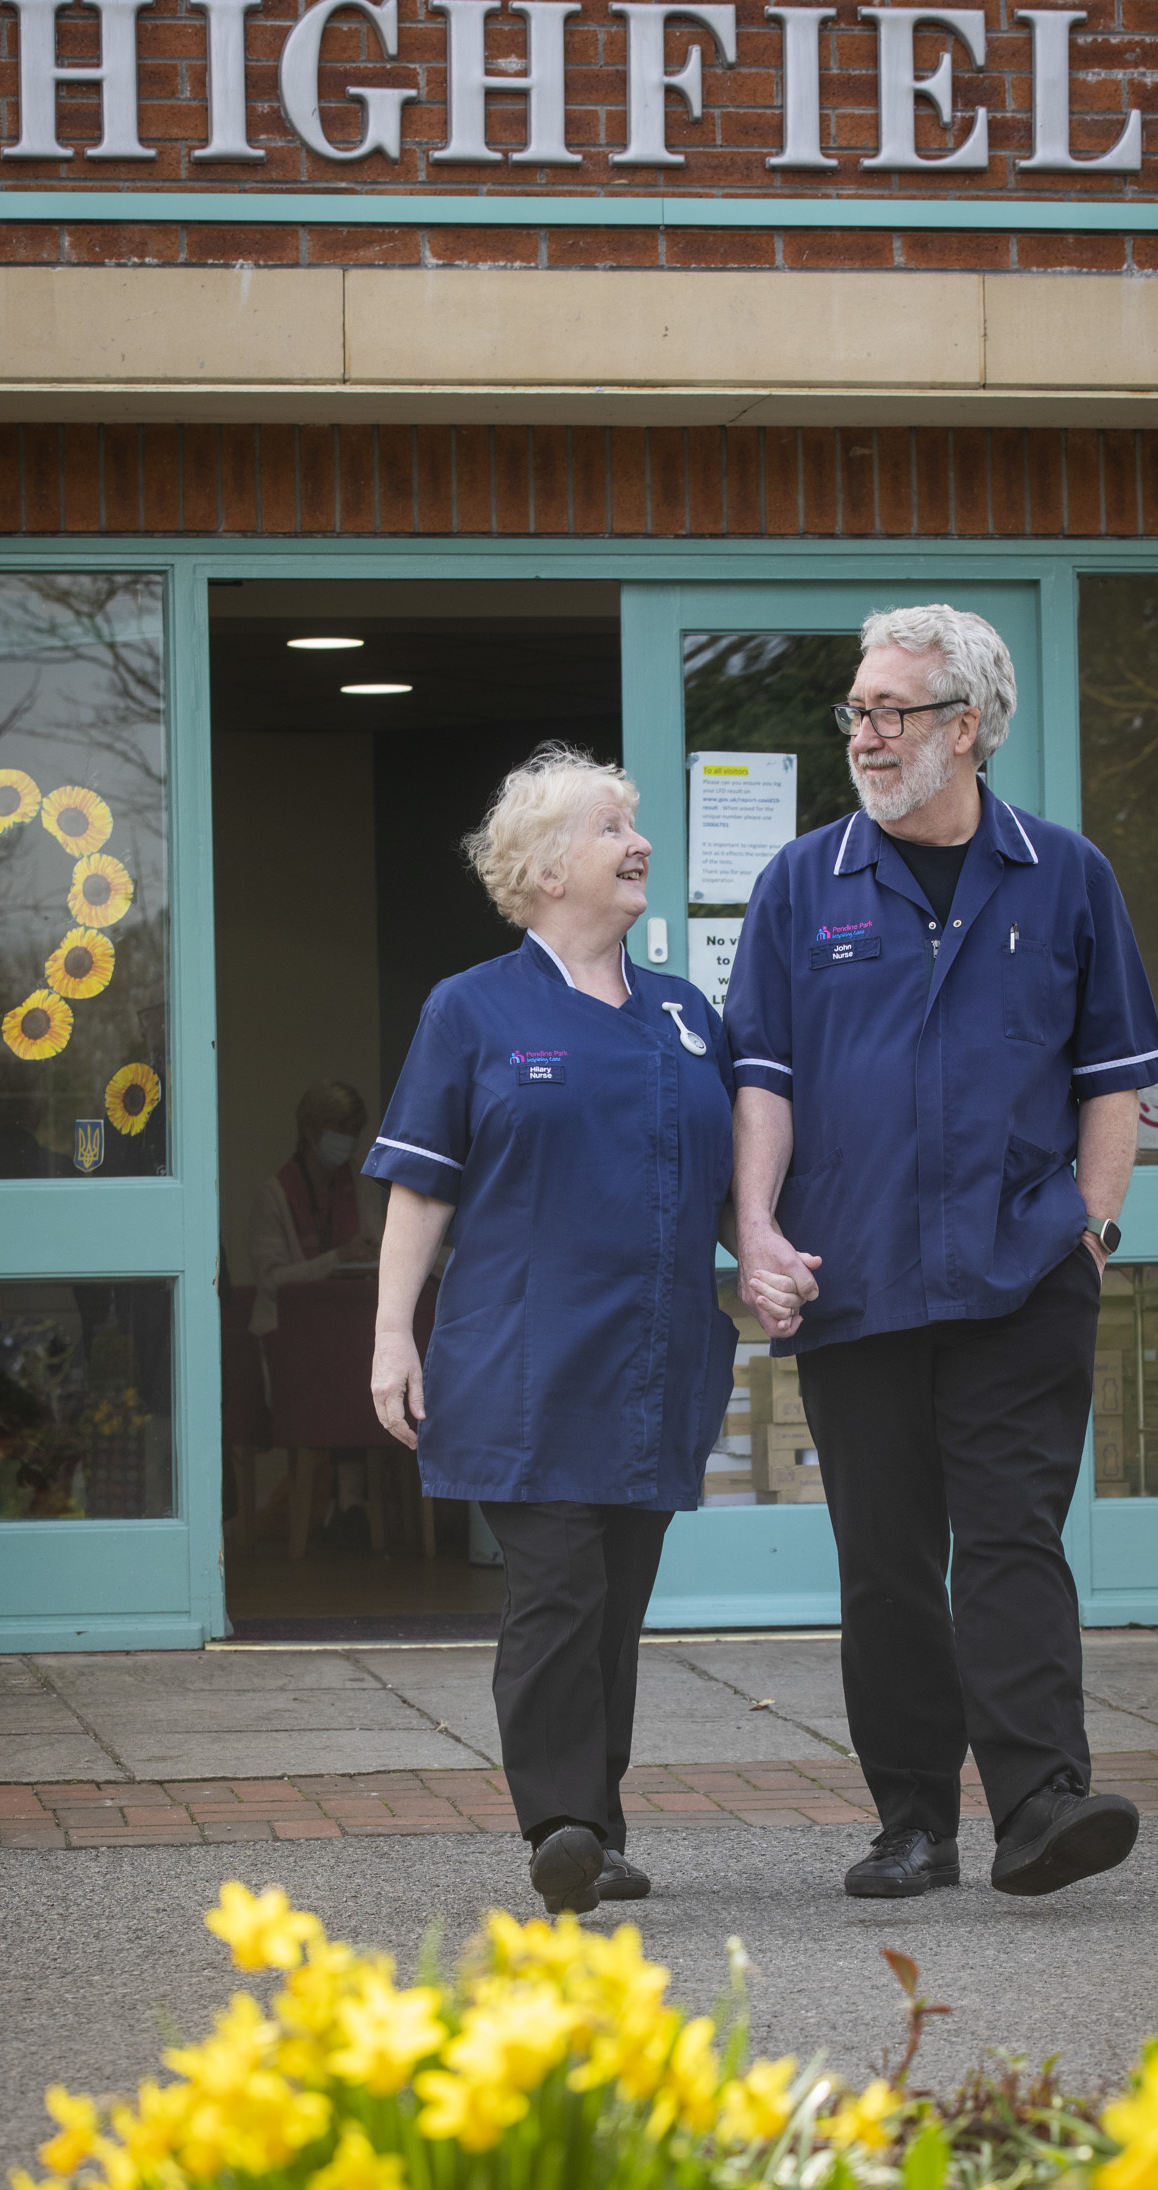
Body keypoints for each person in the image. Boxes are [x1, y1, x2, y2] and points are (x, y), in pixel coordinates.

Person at [726, 604, 1158, 1901]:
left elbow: (1111, 1076)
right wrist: (756, 1231)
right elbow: (763, 1078)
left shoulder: (1067, 876)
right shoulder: (801, 883)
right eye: (856, 710)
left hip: (1021, 1270)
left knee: (1013, 1535)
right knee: (886, 1562)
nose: (864, 734)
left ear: (966, 727)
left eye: (890, 711)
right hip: (852, 1276)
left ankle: (1041, 1800)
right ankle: (914, 1823)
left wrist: (1089, 1226)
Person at [365, 746, 738, 1916]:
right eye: (609, 827)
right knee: (559, 1591)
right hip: (523, 1363)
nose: (637, 845)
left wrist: (769, 1256)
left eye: (634, 824)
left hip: (653, 1357)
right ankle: (562, 1821)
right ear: (539, 868)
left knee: (614, 1606)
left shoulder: (685, 1015)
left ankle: (600, 1828)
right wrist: (392, 1333)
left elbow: (730, 1181)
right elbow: (421, 1186)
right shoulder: (471, 1008)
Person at [250, 1078, 384, 1551]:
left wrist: (368, 1252)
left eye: (353, 1129)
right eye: (338, 1128)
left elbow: (378, 1246)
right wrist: (336, 1261)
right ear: (310, 1129)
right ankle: (340, 1506)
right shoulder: (275, 1194)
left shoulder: (360, 1185)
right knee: (344, 1375)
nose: (345, 1140)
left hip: (349, 1332)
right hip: (292, 1340)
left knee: (361, 1370)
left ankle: (348, 1509)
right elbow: (271, 1279)